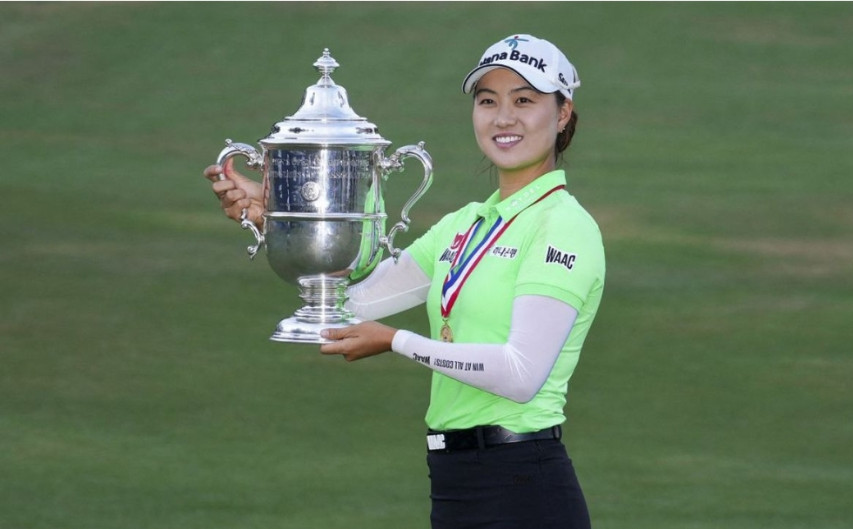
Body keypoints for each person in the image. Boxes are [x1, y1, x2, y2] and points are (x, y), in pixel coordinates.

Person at [204, 34, 605, 529]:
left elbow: (520, 375)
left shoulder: (563, 226)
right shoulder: (466, 223)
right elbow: (352, 305)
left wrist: (399, 342)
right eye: (488, 101)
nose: (503, 118)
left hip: (524, 488)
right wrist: (286, 221)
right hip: (456, 484)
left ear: (563, 113)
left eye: (524, 100)